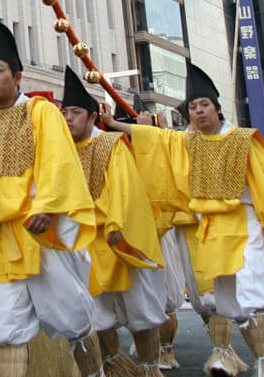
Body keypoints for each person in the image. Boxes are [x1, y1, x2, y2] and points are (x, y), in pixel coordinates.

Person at [114, 63, 264, 377]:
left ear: (217, 109)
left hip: (245, 226)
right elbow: (155, 139)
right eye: (193, 107)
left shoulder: (244, 140)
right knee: (231, 302)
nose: (199, 111)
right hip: (211, 231)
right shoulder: (188, 144)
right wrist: (114, 125)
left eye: (204, 105)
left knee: (254, 294)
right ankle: (253, 359)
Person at [0, 23, 101, 377]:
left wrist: (45, 206)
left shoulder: (40, 112)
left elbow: (57, 158)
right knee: (6, 331)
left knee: (75, 322)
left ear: (18, 76)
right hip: (3, 243)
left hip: (42, 235)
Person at [59, 66, 167, 377]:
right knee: (97, 315)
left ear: (93, 117)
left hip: (118, 240)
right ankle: (116, 366)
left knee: (140, 313)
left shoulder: (112, 144)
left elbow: (124, 188)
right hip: (83, 245)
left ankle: (149, 368)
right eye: (65, 113)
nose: (68, 119)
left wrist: (117, 227)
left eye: (75, 112)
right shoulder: (62, 151)